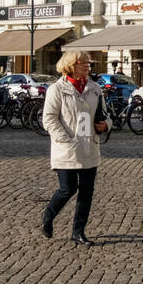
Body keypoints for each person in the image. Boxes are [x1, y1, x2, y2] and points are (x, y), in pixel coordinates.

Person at [40, 52, 110, 247]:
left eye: (89, 62)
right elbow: (49, 119)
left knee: (87, 192)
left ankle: (78, 232)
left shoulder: (95, 89)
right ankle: (49, 214)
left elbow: (104, 115)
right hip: (67, 148)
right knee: (67, 189)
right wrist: (66, 140)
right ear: (71, 65)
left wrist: (105, 125)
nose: (88, 66)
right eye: (83, 62)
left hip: (89, 147)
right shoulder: (57, 89)